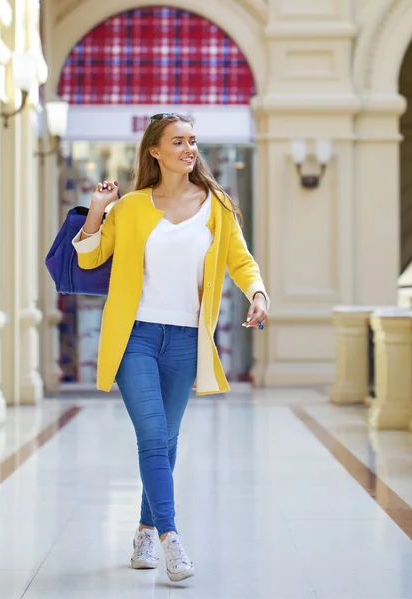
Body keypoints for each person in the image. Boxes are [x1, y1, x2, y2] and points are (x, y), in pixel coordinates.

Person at [71, 113, 270, 582]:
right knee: (153, 435)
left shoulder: (216, 205)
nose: (189, 149)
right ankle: (170, 538)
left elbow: (240, 259)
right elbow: (90, 255)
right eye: (178, 141)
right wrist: (98, 208)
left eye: (193, 141)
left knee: (167, 439)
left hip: (185, 339)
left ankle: (143, 527)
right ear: (154, 151)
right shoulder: (132, 207)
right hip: (134, 336)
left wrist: (257, 292)